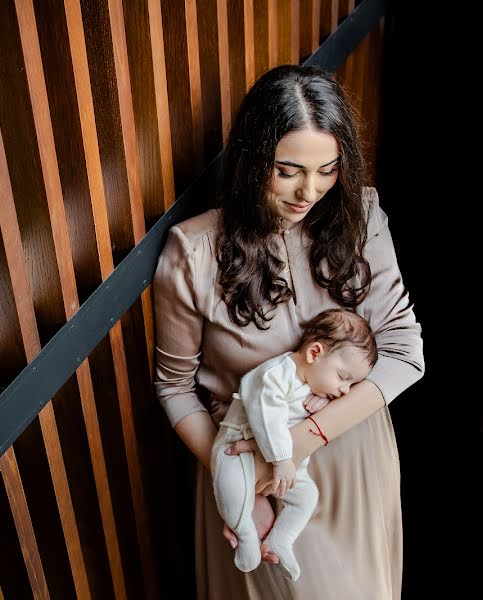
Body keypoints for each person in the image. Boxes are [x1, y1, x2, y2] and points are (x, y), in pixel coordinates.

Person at [152, 64, 424, 599]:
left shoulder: (360, 215)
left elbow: (405, 352)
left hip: (355, 455)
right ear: (253, 162)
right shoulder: (194, 252)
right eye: (288, 171)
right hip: (250, 470)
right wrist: (242, 480)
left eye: (328, 169)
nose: (310, 191)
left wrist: (302, 441)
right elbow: (174, 387)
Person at [212, 308, 377, 582]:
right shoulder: (276, 374)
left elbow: (311, 393)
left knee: (307, 496)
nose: (345, 390)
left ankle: (280, 540)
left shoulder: (312, 381)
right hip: (237, 450)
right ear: (314, 353)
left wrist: (325, 397)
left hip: (284, 466)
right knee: (232, 490)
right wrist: (281, 460)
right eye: (343, 377)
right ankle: (245, 533)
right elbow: (268, 413)